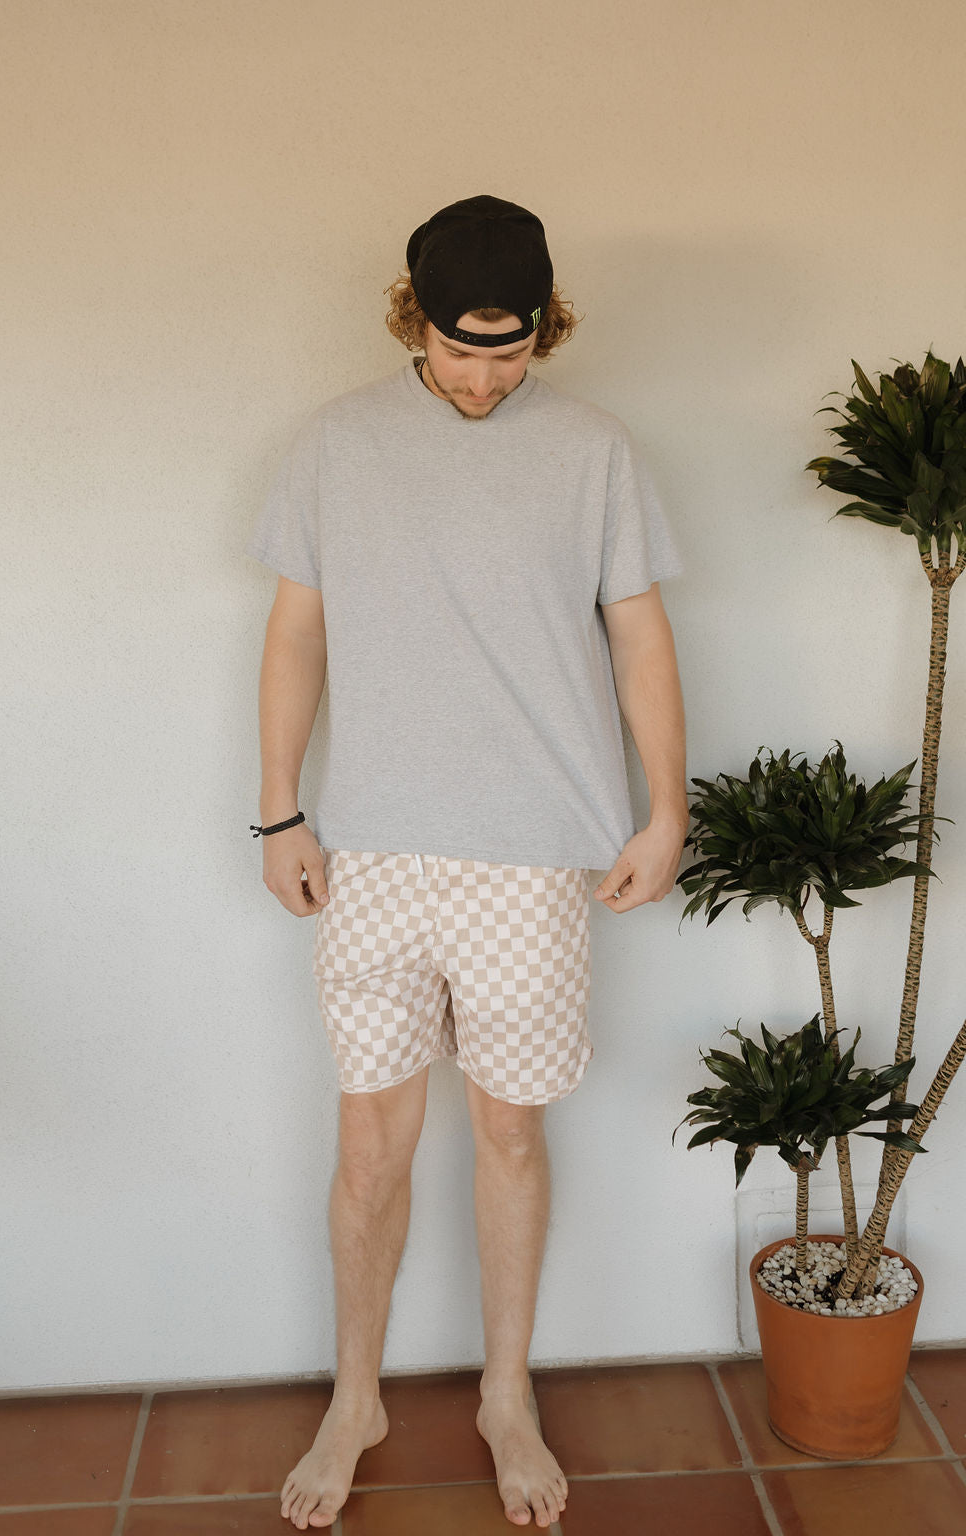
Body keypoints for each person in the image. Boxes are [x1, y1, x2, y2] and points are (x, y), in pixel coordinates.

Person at [249, 194, 687, 1531]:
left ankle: (506, 1393)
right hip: (372, 848)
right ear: (414, 318)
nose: (487, 377)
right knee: (372, 1140)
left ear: (544, 328)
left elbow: (641, 640)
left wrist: (664, 812)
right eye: (462, 350)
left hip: (534, 860)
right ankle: (356, 1396)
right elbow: (295, 640)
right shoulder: (334, 445)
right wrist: (279, 812)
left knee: (508, 1130)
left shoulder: (598, 450)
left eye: (513, 352)